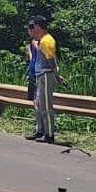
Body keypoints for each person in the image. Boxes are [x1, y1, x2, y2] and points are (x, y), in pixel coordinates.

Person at [27, 15, 66, 144]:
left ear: (38, 27)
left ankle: (49, 134)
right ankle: (41, 130)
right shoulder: (42, 40)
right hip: (40, 75)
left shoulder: (46, 41)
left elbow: (51, 60)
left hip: (46, 75)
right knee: (39, 104)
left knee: (46, 106)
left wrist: (57, 75)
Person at [24, 25, 41, 140]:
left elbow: (45, 57)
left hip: (38, 73)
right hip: (32, 71)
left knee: (38, 102)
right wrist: (30, 50)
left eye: (29, 29)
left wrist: (34, 46)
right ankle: (38, 127)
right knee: (34, 102)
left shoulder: (40, 41)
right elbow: (32, 58)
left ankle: (40, 129)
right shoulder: (32, 42)